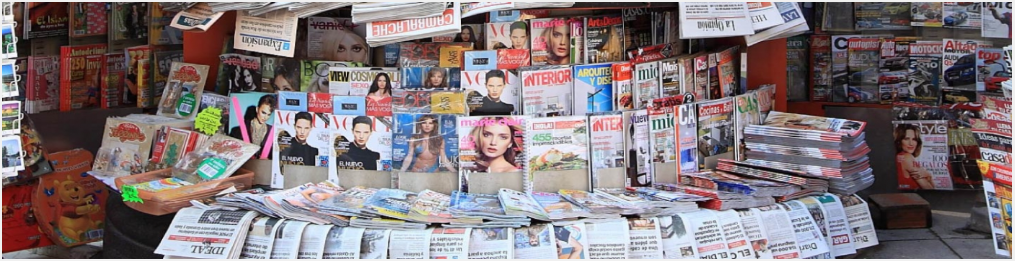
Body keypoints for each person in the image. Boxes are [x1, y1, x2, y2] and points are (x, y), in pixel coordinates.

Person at [894, 124, 934, 190]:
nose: (911, 143)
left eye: (914, 139)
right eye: (906, 139)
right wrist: (929, 176)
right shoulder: (907, 157)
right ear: (899, 141)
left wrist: (928, 176)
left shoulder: (898, 157)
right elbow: (930, 190)